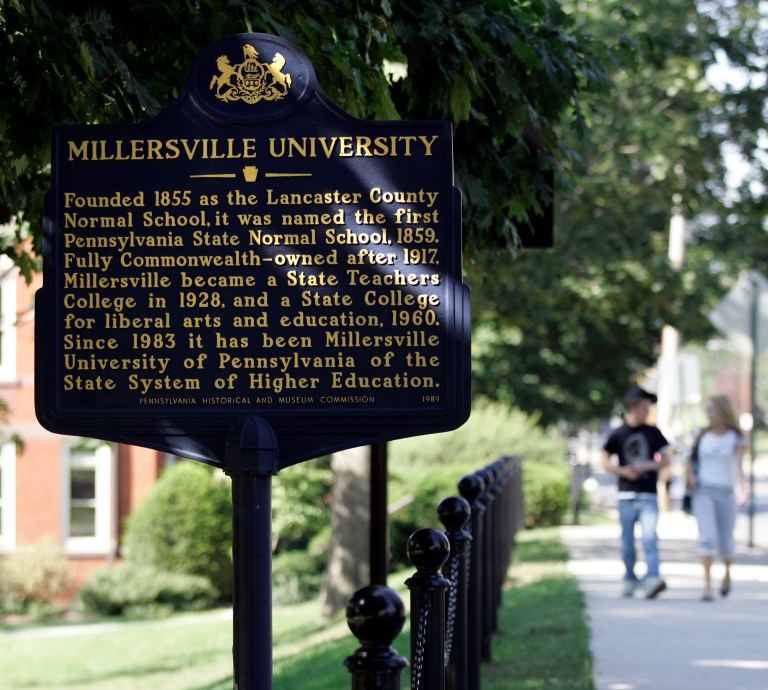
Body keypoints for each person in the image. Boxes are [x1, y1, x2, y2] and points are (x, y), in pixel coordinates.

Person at [603, 386, 672, 598]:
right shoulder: (618, 433)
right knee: (627, 540)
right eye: (644, 407)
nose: (647, 411)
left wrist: (648, 466)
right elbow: (604, 459)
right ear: (633, 407)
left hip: (648, 494)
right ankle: (629, 578)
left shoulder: (653, 432)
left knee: (649, 537)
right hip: (626, 494)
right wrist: (622, 470)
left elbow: (667, 458)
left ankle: (652, 577)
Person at [686, 395, 747, 601]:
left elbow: (739, 465)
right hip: (704, 490)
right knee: (707, 536)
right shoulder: (700, 434)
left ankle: (727, 574)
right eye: (708, 409)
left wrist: (742, 488)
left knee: (726, 540)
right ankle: (707, 586)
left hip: (726, 491)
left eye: (712, 409)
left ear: (723, 411)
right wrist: (691, 477)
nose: (709, 413)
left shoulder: (736, 437)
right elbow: (689, 460)